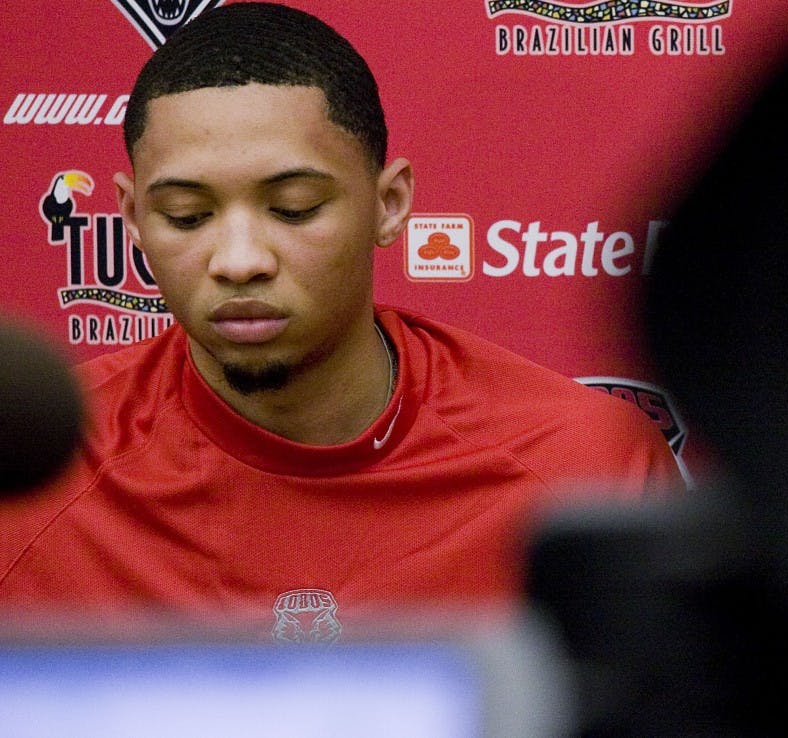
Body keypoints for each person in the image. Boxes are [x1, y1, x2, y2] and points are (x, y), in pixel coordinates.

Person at [0, 2, 683, 642]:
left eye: (294, 208)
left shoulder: (584, 469)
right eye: (187, 215)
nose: (239, 261)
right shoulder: (34, 479)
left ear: (389, 204)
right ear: (132, 221)